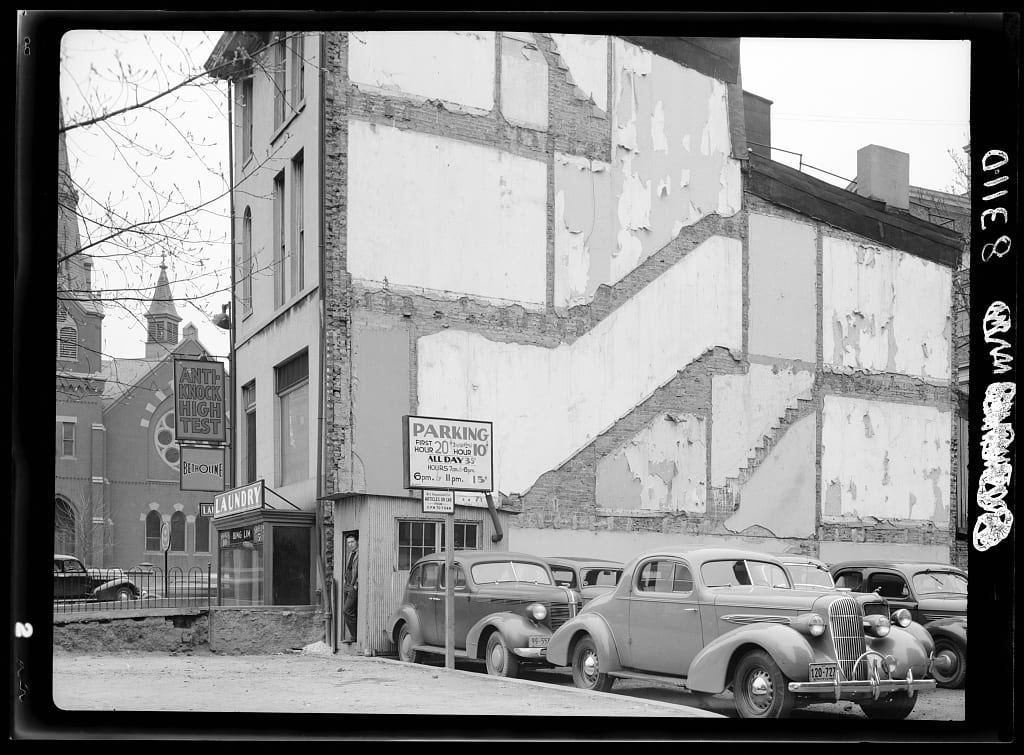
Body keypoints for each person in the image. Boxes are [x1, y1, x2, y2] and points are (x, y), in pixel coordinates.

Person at [343, 535, 358, 644]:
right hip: (347, 585)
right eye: (348, 542)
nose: (350, 544)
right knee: (351, 611)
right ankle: (354, 636)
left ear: (357, 542)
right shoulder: (350, 554)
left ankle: (354, 636)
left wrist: (356, 584)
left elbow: (361, 569)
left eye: (352, 542)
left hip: (353, 586)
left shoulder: (359, 553)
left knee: (347, 611)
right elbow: (349, 569)